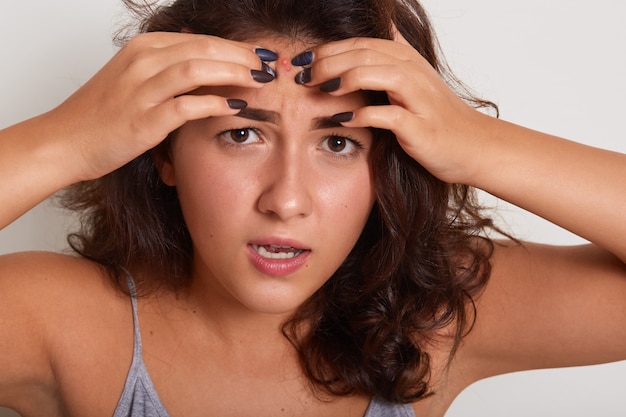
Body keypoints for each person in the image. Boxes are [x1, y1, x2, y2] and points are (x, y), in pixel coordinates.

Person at [1, 0, 625, 416]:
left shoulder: (436, 319)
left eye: (338, 142)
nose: (288, 200)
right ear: (161, 153)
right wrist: (68, 140)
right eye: (241, 134)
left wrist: (478, 144)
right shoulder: (63, 321)